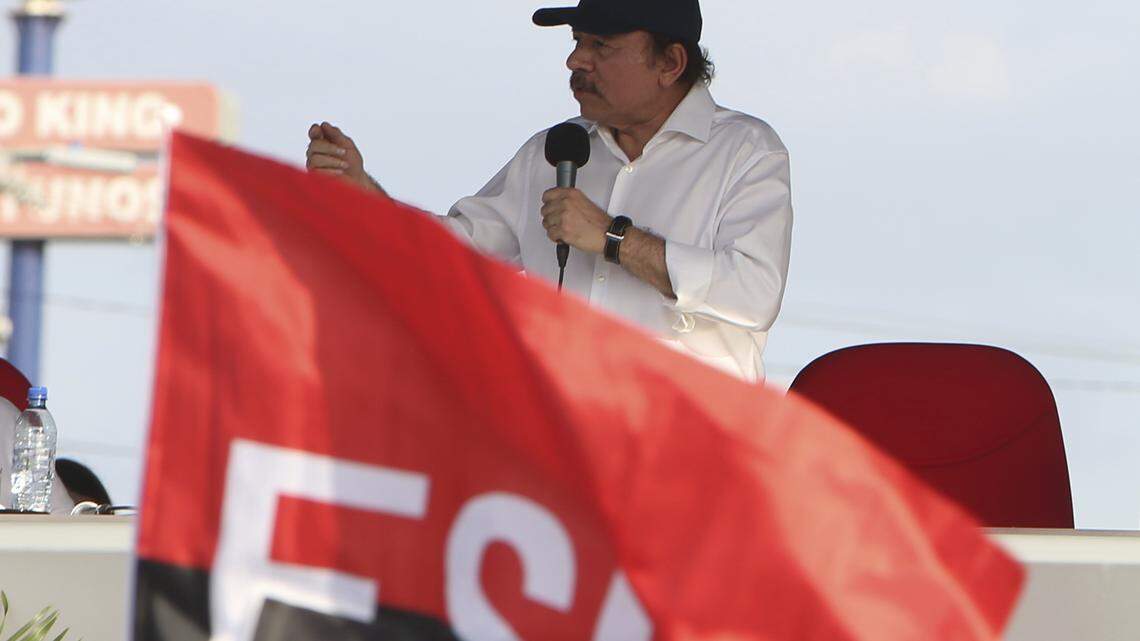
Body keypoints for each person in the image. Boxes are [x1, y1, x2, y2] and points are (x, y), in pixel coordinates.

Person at [306, 0, 793, 381]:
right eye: (577, 41)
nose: (575, 60)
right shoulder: (554, 150)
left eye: (601, 45)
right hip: (560, 451)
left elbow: (753, 295)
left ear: (670, 62)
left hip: (685, 455)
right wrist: (364, 196)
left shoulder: (746, 152)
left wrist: (613, 238)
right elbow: (457, 252)